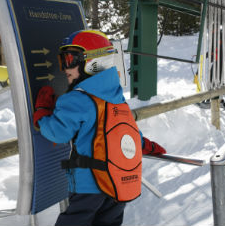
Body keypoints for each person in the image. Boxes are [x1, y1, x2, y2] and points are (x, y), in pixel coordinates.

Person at [33, 30, 166, 226]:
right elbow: (123, 129)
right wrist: (143, 144)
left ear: (92, 63)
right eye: (63, 60)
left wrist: (43, 113)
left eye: (69, 60)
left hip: (90, 184)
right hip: (116, 181)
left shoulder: (77, 99)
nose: (64, 68)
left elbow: (58, 132)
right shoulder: (116, 97)